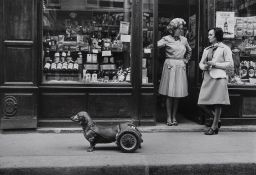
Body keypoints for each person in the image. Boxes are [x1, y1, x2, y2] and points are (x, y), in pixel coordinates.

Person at [151, 18, 192, 126]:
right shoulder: (166, 38)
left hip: (180, 66)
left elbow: (189, 50)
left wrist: (186, 60)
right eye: (179, 29)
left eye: (182, 29)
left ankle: (174, 116)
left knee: (177, 94)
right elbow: (154, 46)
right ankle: (168, 117)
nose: (181, 31)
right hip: (169, 65)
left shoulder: (184, 39)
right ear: (172, 29)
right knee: (169, 94)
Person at [198, 27, 234, 135]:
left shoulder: (225, 48)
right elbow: (201, 63)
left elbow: (230, 64)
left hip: (219, 77)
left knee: (218, 103)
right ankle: (216, 119)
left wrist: (215, 64)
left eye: (211, 35)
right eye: (208, 34)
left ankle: (214, 127)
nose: (208, 36)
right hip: (208, 77)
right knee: (201, 102)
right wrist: (203, 67)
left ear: (217, 36)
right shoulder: (207, 49)